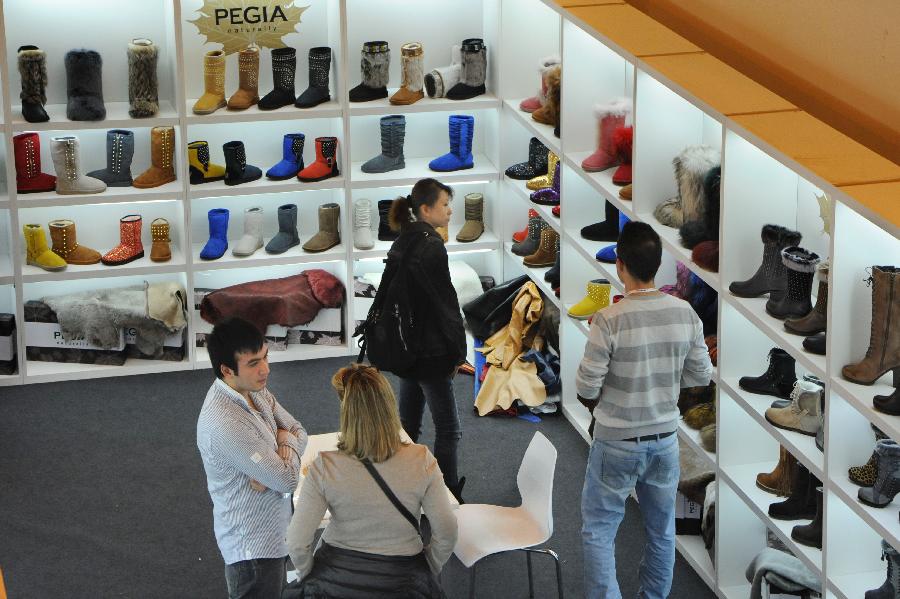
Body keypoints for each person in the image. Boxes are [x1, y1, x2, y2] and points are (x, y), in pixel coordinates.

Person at [576, 222, 713, 598]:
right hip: (665, 439)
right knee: (661, 531)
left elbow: (586, 386)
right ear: (658, 264)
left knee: (600, 530)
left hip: (616, 439)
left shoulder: (609, 319)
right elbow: (701, 374)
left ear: (620, 265)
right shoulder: (685, 313)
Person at [285, 363, 457, 598]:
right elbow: (447, 532)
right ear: (389, 405)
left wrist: (311, 576)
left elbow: (296, 542)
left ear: (346, 413)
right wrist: (428, 569)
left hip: (336, 579)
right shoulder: (421, 460)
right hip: (404, 580)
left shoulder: (324, 467)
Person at [196, 317, 307, 599]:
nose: (265, 369)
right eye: (254, 363)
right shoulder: (225, 422)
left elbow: (298, 429)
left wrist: (284, 442)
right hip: (253, 552)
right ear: (226, 370)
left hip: (275, 533)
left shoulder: (253, 391)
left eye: (265, 357)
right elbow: (287, 479)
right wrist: (282, 458)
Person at [380, 178, 468, 500]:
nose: (449, 210)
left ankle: (403, 486)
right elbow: (445, 305)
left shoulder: (402, 240)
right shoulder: (431, 247)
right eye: (445, 204)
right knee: (448, 428)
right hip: (431, 353)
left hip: (406, 348)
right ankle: (446, 496)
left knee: (407, 425)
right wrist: (459, 352)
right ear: (426, 209)